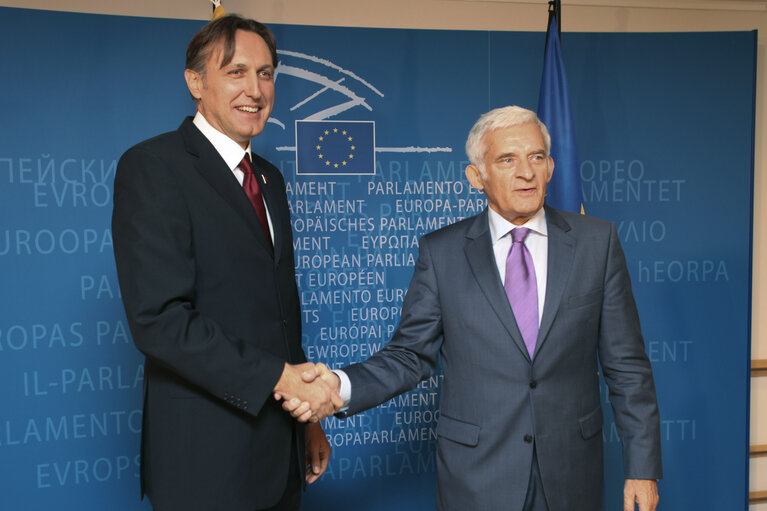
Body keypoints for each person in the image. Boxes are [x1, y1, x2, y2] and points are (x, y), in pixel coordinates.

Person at [285, 106, 662, 511]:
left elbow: (628, 367)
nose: (526, 172)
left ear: (551, 167)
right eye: (507, 160)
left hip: (572, 475)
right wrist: (337, 388)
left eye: (536, 157)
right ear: (476, 176)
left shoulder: (596, 243)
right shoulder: (441, 253)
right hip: (478, 480)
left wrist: (641, 469)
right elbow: (409, 356)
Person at [112, 14, 340, 511]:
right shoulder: (154, 167)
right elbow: (160, 321)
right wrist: (278, 379)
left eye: (265, 73)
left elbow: (282, 312)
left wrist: (308, 420)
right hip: (206, 461)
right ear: (196, 81)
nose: (254, 90)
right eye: (235, 72)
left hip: (280, 454)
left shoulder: (271, 179)